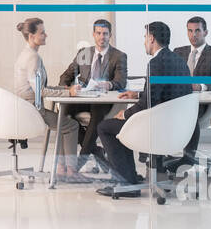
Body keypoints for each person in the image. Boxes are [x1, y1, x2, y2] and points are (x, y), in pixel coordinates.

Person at [94, 21, 192, 196]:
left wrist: (124, 113)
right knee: (121, 125)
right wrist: (137, 95)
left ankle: (127, 184)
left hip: (159, 127)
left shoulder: (155, 63)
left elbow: (149, 103)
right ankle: (129, 179)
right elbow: (165, 95)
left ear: (152, 38)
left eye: (145, 37)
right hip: (176, 127)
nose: (144, 41)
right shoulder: (179, 61)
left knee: (105, 127)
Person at [13, 18, 86, 183]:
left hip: (27, 105)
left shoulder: (28, 54)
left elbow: (39, 86)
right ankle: (71, 171)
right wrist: (70, 95)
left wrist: (65, 89)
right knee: (71, 125)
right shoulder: (33, 58)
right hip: (31, 108)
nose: (46, 34)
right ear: (31, 36)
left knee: (62, 123)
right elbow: (40, 90)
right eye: (42, 32)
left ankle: (62, 169)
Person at [59, 19, 128, 167]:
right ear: (93, 34)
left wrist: (108, 84)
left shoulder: (119, 56)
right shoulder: (84, 53)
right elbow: (66, 76)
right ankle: (96, 152)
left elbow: (121, 82)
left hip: (103, 101)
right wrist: (66, 88)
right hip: (84, 98)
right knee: (64, 113)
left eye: (105, 34)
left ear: (110, 35)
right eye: (98, 33)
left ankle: (80, 162)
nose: (101, 37)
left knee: (96, 116)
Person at [164, 17, 211, 172]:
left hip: (202, 104)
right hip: (178, 100)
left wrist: (199, 86)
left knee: (188, 113)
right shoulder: (179, 52)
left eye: (197, 30)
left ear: (205, 32)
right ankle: (157, 155)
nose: (193, 35)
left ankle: (188, 158)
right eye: (190, 31)